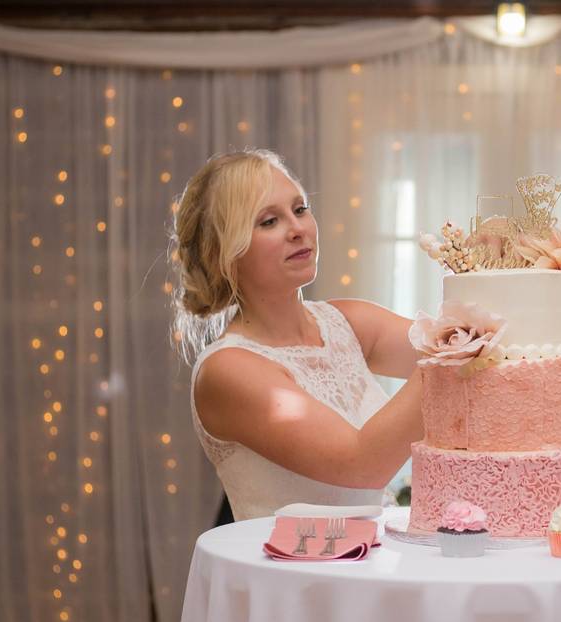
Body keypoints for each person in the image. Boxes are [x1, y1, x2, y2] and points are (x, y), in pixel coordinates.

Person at [170, 149, 423, 521]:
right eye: (269, 221)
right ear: (225, 252)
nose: (298, 229)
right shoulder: (227, 370)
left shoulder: (349, 322)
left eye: (300, 209)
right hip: (295, 575)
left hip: (369, 564)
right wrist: (452, 359)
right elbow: (361, 465)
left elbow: (490, 356)